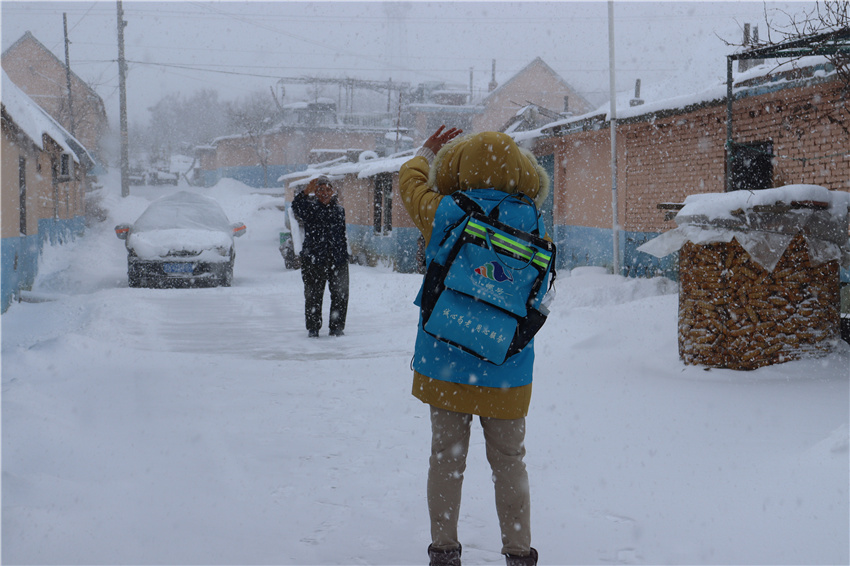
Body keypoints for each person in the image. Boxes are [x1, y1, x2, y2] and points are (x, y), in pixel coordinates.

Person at [399, 126, 549, 566]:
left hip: (446, 359)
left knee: (446, 459)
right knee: (509, 462)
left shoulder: (446, 212)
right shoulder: (534, 219)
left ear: (458, 166)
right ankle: (519, 553)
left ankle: (444, 551)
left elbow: (409, 183)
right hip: (507, 362)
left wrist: (426, 151)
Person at [291, 175, 349, 338]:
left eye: (328, 189)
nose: (325, 193)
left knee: (340, 294)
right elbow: (296, 206)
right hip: (314, 260)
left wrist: (343, 256)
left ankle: (337, 327)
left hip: (337, 259)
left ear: (333, 191)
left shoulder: (339, 211)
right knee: (313, 295)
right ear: (315, 193)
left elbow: (341, 235)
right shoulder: (309, 208)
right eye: (321, 190)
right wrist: (305, 192)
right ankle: (313, 328)